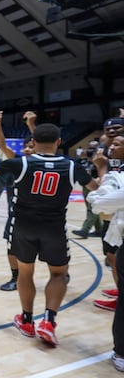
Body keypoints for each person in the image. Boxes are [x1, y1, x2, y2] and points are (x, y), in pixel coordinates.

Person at [0, 123, 98, 346]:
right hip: (54, 228)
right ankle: (48, 321)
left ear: (33, 142)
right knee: (58, 275)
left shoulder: (21, 163)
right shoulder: (71, 166)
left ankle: (27, 320)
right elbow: (95, 187)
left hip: (23, 226)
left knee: (25, 273)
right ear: (58, 142)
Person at [87, 134, 124, 372]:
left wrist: (102, 171)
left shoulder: (116, 176)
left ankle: (121, 352)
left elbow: (98, 203)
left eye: (118, 143)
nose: (112, 145)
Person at [0, 110, 36, 291]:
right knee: (11, 247)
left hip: (40, 214)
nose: (27, 149)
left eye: (31, 146)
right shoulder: (17, 162)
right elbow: (2, 145)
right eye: (25, 146)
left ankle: (60, 273)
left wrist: (32, 125)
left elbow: (43, 141)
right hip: (17, 213)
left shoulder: (44, 162)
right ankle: (16, 278)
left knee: (46, 249)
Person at [90, 118, 124, 311]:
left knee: (115, 256)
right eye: (108, 128)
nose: (111, 131)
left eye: (116, 128)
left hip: (117, 210)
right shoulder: (105, 150)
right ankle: (120, 290)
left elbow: (105, 198)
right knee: (112, 256)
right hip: (113, 215)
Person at [71, 140, 103, 239]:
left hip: (96, 186)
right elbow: (75, 168)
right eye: (89, 148)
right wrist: (82, 157)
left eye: (93, 148)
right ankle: (100, 230)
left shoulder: (100, 160)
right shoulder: (83, 160)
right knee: (91, 207)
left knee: (92, 208)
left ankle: (85, 230)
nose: (90, 150)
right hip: (84, 186)